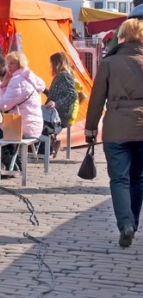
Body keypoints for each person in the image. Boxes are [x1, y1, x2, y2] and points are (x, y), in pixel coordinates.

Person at [86, 18, 143, 247]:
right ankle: (133, 224)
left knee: (119, 179)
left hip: (116, 128)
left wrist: (90, 129)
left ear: (123, 37)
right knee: (138, 179)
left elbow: (97, 99)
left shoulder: (110, 63)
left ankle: (125, 223)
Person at [0, 51, 45, 170]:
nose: (9, 66)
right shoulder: (28, 77)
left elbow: (3, 105)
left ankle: (10, 164)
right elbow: (6, 100)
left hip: (21, 125)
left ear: (20, 64)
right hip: (31, 124)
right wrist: (4, 85)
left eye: (12, 63)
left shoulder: (18, 80)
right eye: (8, 63)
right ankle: (14, 163)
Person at [45, 51, 78, 127]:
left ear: (56, 64)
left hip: (59, 115)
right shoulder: (62, 75)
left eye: (51, 63)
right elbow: (56, 95)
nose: (51, 66)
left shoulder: (63, 75)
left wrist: (56, 104)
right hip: (56, 114)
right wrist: (43, 89)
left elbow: (73, 94)